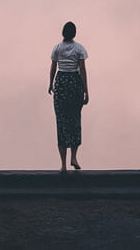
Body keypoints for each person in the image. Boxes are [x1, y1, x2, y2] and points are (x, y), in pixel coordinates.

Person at [48, 20, 89, 173]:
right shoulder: (79, 49)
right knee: (75, 121)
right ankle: (74, 157)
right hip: (74, 83)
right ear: (74, 33)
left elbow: (53, 67)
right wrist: (86, 90)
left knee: (61, 123)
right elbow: (83, 71)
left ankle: (63, 164)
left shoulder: (57, 48)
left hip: (61, 83)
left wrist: (50, 84)